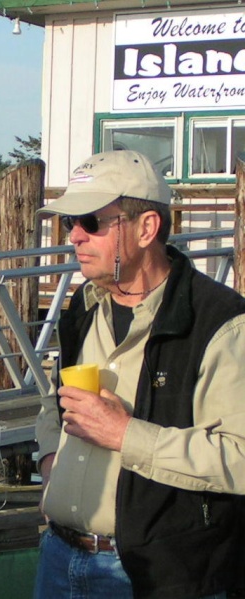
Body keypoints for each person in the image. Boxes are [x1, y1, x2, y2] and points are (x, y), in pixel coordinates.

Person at [33, 150, 245, 598]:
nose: (74, 236)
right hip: (59, 556)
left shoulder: (221, 323)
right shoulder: (83, 309)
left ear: (146, 228)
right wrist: (51, 461)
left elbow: (239, 458)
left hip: (161, 574)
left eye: (90, 221)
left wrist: (126, 434)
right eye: (68, 222)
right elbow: (54, 404)